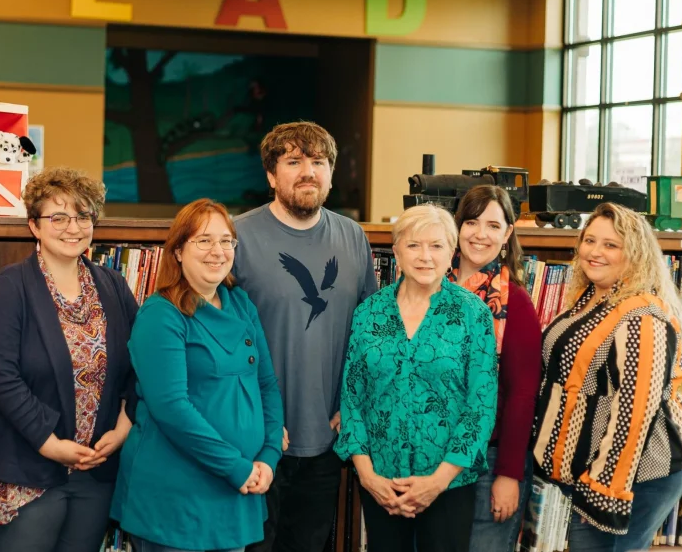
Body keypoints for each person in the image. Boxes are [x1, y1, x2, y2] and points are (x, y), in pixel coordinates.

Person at [0, 167, 139, 552]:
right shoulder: (10, 287)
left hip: (95, 468)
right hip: (23, 470)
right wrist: (49, 443)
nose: (72, 227)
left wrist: (124, 428)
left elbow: (141, 364)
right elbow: (0, 375)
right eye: (58, 217)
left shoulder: (113, 286)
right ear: (34, 225)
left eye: (82, 216)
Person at [233, 121, 378, 552]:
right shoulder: (235, 236)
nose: (308, 172)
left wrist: (353, 405)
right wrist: (250, 417)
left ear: (331, 174)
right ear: (271, 175)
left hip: (326, 439)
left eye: (318, 162)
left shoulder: (352, 237)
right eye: (294, 162)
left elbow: (370, 336)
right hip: (255, 437)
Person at [111, 198, 284, 552]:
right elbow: (171, 408)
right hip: (177, 496)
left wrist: (268, 455)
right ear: (177, 250)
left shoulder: (241, 304)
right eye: (203, 240)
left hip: (240, 489)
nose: (217, 251)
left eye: (226, 241)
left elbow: (266, 384)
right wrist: (237, 468)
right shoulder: (161, 315)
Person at [531, 203, 682, 552]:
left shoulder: (643, 318)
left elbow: (634, 414)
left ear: (635, 254)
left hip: (638, 475)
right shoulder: (590, 298)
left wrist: (603, 489)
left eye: (611, 245)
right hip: (588, 471)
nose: (595, 252)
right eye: (590, 240)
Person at [334, 204, 499, 552]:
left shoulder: (473, 315)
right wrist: (367, 475)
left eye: (436, 246)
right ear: (396, 252)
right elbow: (352, 399)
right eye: (413, 245)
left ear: (451, 253)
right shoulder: (368, 313)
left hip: (448, 485)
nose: (425, 256)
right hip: (381, 483)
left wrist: (436, 483)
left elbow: (480, 407)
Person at [450, 186, 542, 552]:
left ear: (507, 234)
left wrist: (508, 473)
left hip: (489, 459)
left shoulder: (514, 302)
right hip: (434, 455)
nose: (479, 234)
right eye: (471, 222)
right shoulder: (430, 285)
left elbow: (522, 395)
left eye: (492, 225)